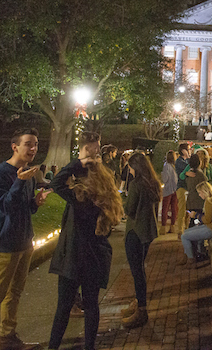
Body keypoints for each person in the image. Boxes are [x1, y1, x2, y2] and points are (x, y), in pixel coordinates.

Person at [47, 132, 123, 350]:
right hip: (96, 256)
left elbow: (56, 182)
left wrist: (76, 163)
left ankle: (54, 346)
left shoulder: (81, 196)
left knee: (63, 307)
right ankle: (89, 346)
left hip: (74, 256)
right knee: (91, 306)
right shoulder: (106, 195)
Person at [0, 128, 47, 350]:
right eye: (28, 144)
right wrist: (19, 182)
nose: (33, 148)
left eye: (35, 144)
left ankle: (8, 337)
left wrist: (35, 203)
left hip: (24, 243)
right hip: (4, 246)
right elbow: (2, 208)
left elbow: (22, 210)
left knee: (14, 294)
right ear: (14, 146)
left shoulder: (28, 173)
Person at [122, 152, 161, 329]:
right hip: (147, 231)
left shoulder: (137, 185)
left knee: (136, 271)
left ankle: (141, 309)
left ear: (135, 167)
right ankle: (139, 302)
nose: (128, 170)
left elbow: (129, 209)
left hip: (135, 230)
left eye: (130, 166)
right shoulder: (152, 183)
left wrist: (122, 198)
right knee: (140, 269)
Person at [180, 181, 212, 265]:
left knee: (184, 236)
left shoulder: (210, 201)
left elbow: (207, 219)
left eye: (200, 192)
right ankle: (190, 255)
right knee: (186, 233)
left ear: (205, 191)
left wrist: (195, 215)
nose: (199, 195)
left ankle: (190, 258)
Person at [174, 143, 191, 237]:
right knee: (182, 209)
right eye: (188, 149)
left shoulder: (188, 160)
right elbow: (186, 169)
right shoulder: (179, 161)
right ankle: (180, 231)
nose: (190, 151)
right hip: (181, 187)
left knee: (188, 210)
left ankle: (187, 228)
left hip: (188, 187)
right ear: (183, 150)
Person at [160, 150, 178, 234]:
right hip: (175, 189)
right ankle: (172, 226)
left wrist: (162, 175)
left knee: (165, 208)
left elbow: (165, 179)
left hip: (168, 189)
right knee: (174, 208)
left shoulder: (166, 166)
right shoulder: (175, 166)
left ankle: (163, 227)